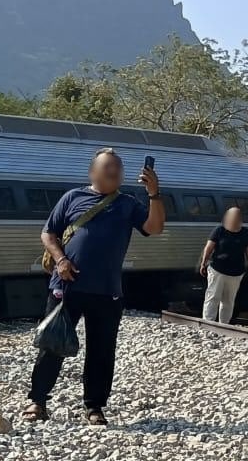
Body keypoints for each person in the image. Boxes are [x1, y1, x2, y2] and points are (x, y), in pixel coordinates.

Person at [22, 148, 165, 426]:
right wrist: (61, 259)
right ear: (93, 172)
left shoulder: (128, 203)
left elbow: (155, 227)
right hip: (67, 286)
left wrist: (154, 194)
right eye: (108, 166)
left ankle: (94, 406)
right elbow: (48, 233)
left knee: (102, 350)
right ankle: (37, 400)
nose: (114, 171)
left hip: (107, 290)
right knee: (52, 344)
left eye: (118, 167)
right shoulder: (72, 197)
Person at [198, 207, 248, 323]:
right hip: (217, 269)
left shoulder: (246, 233)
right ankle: (208, 322)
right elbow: (209, 248)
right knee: (213, 296)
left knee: (228, 300)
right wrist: (203, 262)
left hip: (236, 272)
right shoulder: (219, 230)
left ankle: (224, 324)